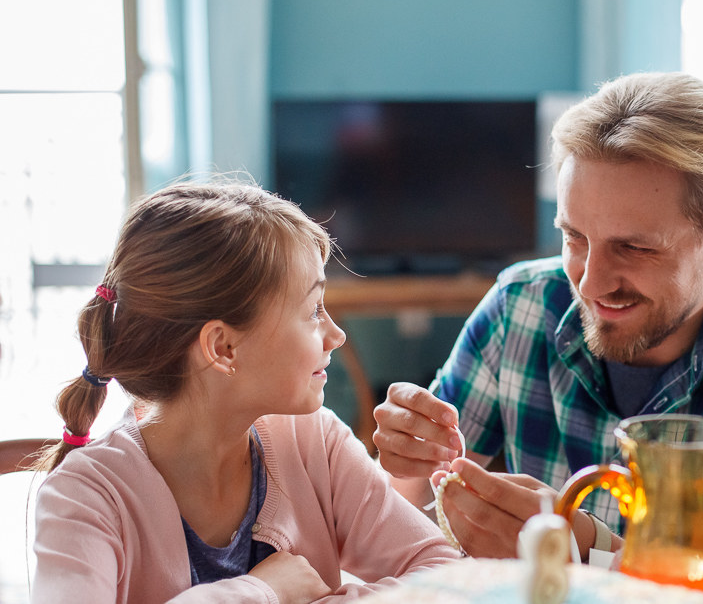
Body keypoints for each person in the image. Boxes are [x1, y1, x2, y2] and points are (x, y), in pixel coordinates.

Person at [373, 72, 703, 604]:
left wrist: (577, 544)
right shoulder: (520, 306)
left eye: (634, 248)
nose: (590, 283)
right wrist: (406, 466)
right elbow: (404, 518)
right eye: (574, 237)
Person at [32, 178, 460, 603]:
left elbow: (444, 572)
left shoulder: (314, 441)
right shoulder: (85, 497)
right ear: (223, 347)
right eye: (313, 311)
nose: (336, 335)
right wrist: (264, 591)